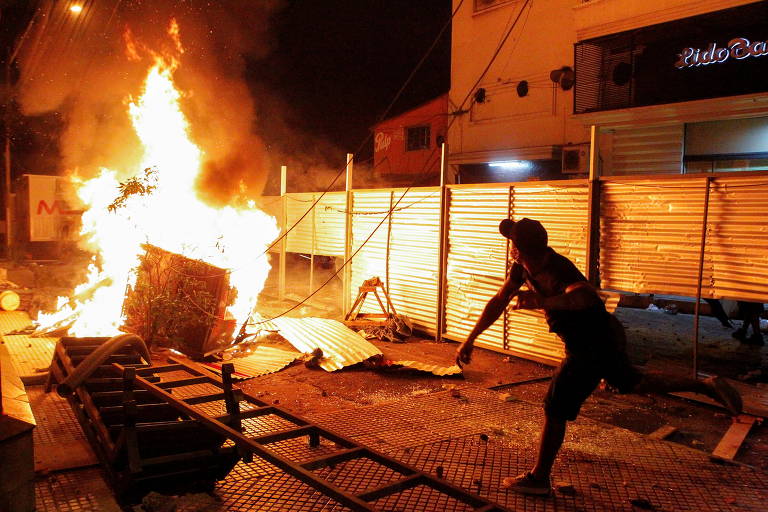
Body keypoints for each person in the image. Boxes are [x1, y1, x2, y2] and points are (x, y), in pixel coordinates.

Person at [456, 217, 743, 497]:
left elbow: (586, 297)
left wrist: (542, 301)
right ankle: (705, 386)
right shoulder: (521, 269)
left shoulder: (558, 269)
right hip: (598, 338)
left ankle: (539, 479)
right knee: (631, 383)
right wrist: (470, 339)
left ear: (519, 249)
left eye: (512, 245)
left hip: (592, 344)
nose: (510, 250)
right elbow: (499, 300)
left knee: (556, 406)